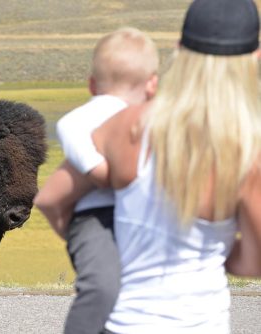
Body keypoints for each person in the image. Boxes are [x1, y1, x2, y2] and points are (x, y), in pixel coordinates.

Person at [48, 0, 261, 332]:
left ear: (180, 51)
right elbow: (252, 261)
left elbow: (55, 197)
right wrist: (214, 246)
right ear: (255, 57)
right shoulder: (249, 150)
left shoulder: (126, 125)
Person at [34, 28, 159, 334]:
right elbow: (101, 172)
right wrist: (107, 174)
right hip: (97, 216)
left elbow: (69, 132)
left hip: (111, 218)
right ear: (153, 84)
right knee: (102, 287)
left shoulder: (80, 118)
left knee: (112, 289)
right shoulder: (91, 118)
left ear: (91, 83)